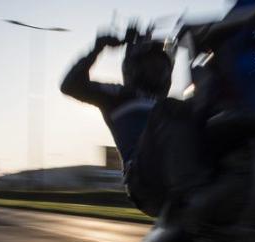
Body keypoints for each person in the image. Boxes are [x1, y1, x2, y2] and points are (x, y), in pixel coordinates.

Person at [60, 28, 210, 217]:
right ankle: (192, 194)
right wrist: (98, 48)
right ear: (133, 68)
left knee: (207, 114)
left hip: (171, 171)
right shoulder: (118, 95)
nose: (158, 72)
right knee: (174, 109)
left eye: (162, 67)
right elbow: (70, 85)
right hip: (144, 179)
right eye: (151, 66)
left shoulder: (168, 104)